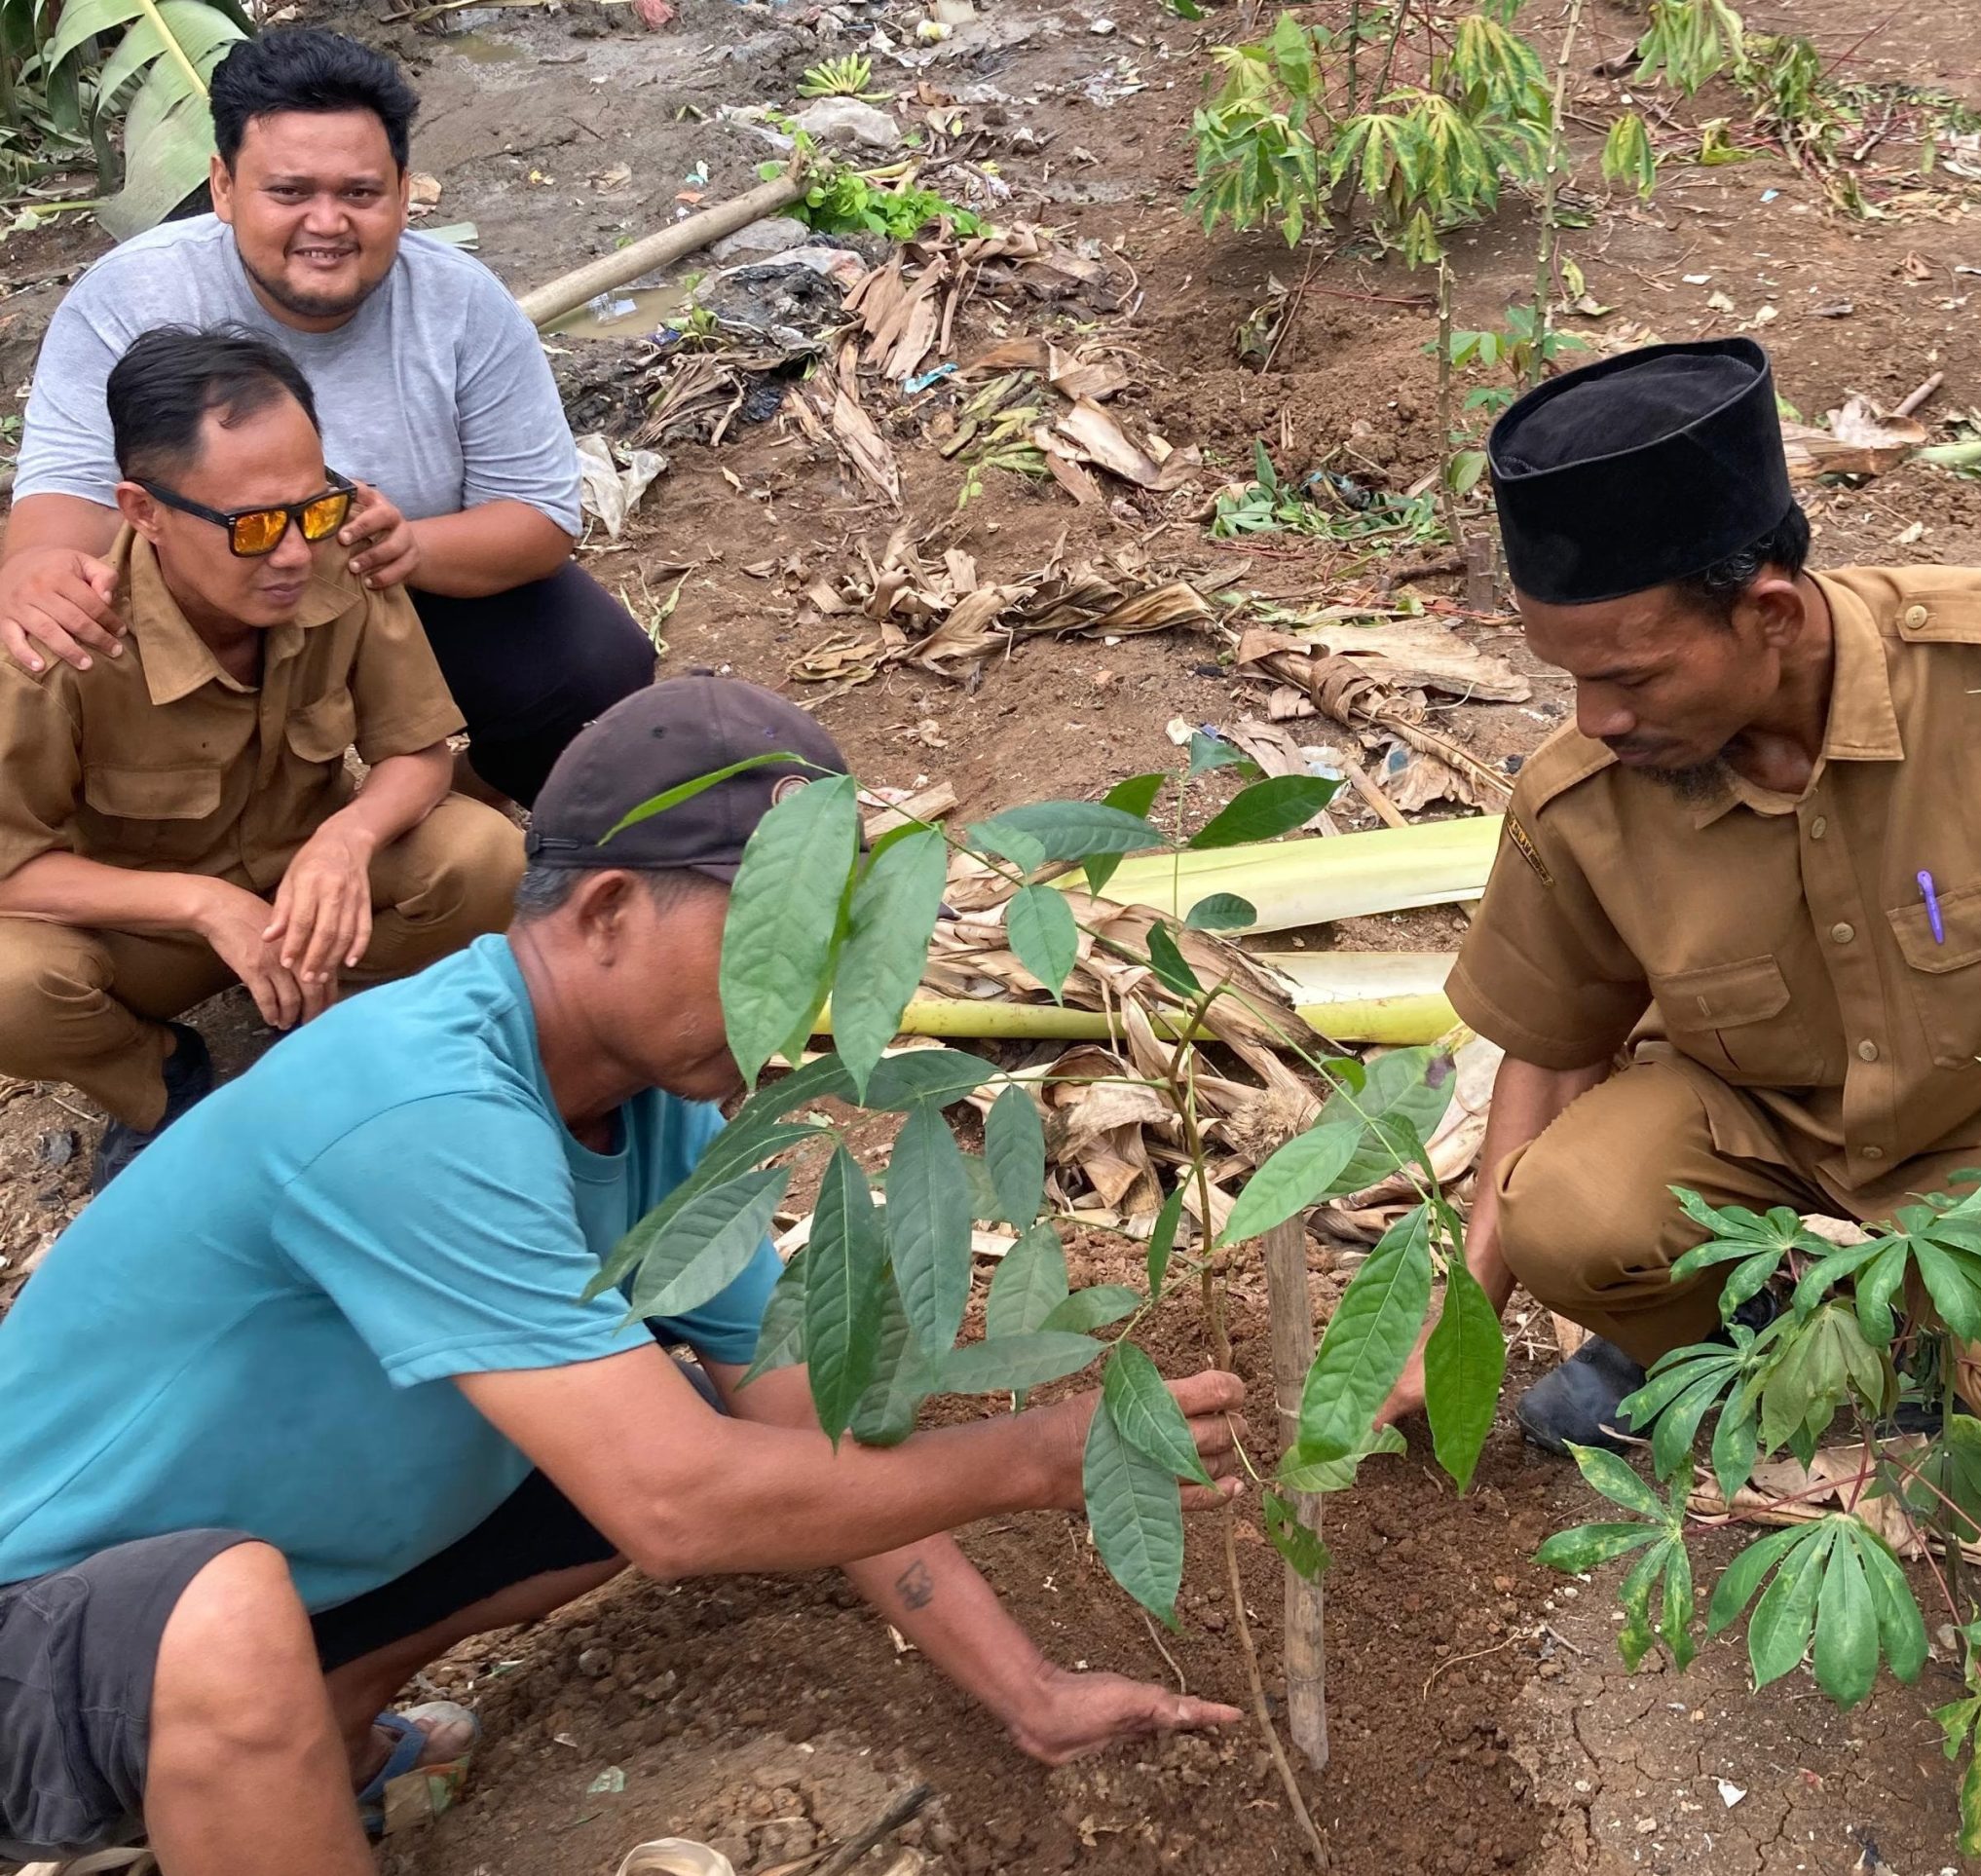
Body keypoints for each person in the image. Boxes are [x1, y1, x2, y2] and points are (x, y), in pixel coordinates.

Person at [0, 675, 1245, 1873]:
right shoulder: (414, 1103)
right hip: (39, 1626)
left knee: (685, 1426)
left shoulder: (657, 1121)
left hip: (250, 1572)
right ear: (602, 913)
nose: (797, 997)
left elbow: (804, 1444)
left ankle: (313, 1721)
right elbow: (682, 1510)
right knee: (242, 1609)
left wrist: (1029, 1696)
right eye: (766, 942)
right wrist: (1038, 1458)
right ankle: (213, 1746)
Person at [1374, 337, 1981, 1454]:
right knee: (1566, 1211)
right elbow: (1553, 1049)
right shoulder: (1586, 794)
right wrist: (1454, 1327)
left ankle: (1902, 1336)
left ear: (1770, 616)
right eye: (1571, 676)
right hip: (1730, 1122)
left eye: (1629, 676)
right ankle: (1722, 1328)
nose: (1595, 717)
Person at [0, 26, 652, 806]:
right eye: (289, 192)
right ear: (222, 186)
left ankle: (459, 799)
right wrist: (36, 574)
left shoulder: (463, 304)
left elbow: (541, 518)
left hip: (392, 591)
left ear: (405, 192)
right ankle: (131, 852)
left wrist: (409, 545)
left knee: (593, 666)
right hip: (195, 599)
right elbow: (64, 496)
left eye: (359, 194)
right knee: (44, 634)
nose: (326, 224)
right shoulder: (129, 299)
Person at [0, 324, 522, 1189]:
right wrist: (199, 905)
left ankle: (328, 1026)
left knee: (483, 856)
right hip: (147, 932)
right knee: (12, 986)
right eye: (249, 527)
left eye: (311, 508)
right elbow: (8, 864)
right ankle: (159, 1078)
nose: (290, 553)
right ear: (145, 512)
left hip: (308, 886)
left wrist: (347, 841)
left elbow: (418, 754)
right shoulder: (62, 640)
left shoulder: (338, 554)